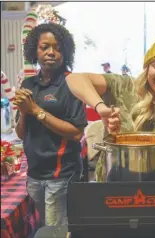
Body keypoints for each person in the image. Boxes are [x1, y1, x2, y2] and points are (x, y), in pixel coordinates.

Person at [65, 32, 155, 181]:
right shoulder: (124, 86)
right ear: (147, 67)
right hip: (113, 185)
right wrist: (100, 107)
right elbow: (74, 79)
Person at [14, 23, 88, 226]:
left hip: (61, 174)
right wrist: (23, 112)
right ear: (34, 51)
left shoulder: (72, 84)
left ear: (65, 51)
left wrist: (36, 111)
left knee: (54, 231)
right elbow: (21, 134)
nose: (51, 53)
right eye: (44, 47)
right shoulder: (28, 85)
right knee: (43, 227)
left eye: (57, 48)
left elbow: (75, 133)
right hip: (34, 173)